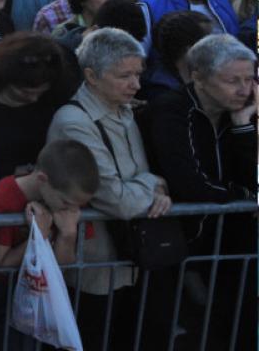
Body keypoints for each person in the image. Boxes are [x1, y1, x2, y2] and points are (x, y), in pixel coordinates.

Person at [47, 28, 173, 351]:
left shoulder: (125, 110)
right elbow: (116, 198)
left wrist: (149, 188)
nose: (136, 84)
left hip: (131, 260)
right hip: (93, 269)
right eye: (124, 76)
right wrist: (154, 184)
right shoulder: (74, 122)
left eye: (138, 74)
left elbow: (129, 187)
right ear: (91, 76)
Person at [145, 34, 256, 348]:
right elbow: (189, 182)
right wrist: (244, 198)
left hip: (231, 246)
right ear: (198, 77)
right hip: (178, 246)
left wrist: (243, 127)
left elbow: (254, 179)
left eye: (249, 78)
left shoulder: (242, 112)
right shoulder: (172, 111)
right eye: (232, 80)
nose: (244, 89)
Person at [0, 140, 100, 351]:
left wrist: (68, 235)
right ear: (42, 180)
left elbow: (63, 266)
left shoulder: (70, 197)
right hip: (1, 291)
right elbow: (2, 262)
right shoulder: (2, 198)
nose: (72, 210)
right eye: (67, 204)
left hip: (42, 291)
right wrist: (38, 237)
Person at [0, 33, 79, 186]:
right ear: (5, 79)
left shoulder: (55, 97)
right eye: (25, 93)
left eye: (41, 92)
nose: (34, 99)